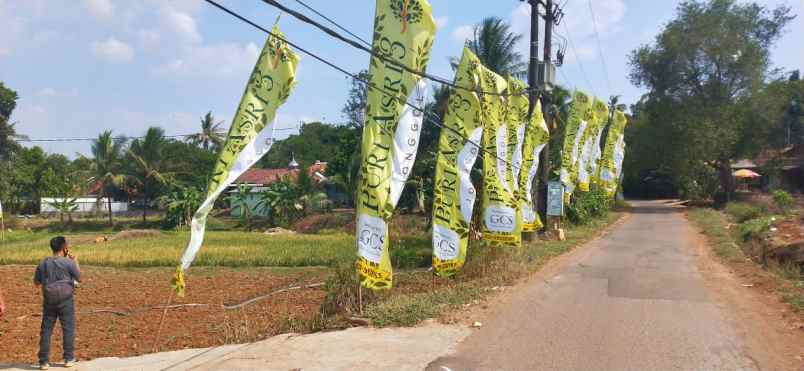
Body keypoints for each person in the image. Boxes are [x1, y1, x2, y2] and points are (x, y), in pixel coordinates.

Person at [34, 236, 80, 370]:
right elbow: (79, 278)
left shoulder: (43, 263)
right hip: (66, 300)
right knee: (68, 328)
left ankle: (43, 361)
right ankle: (69, 359)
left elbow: (36, 283)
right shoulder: (69, 263)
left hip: (49, 301)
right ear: (64, 248)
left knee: (46, 330)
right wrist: (75, 262)